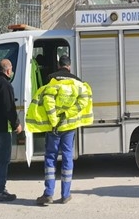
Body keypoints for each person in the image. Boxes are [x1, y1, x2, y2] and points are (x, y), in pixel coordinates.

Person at [27, 55, 93, 206]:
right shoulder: (77, 84)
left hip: (54, 128)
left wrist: (54, 120)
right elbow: (83, 101)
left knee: (50, 158)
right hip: (69, 127)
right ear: (69, 66)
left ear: (59, 66)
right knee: (67, 158)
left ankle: (48, 194)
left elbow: (48, 102)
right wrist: (67, 114)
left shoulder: (53, 82)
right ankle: (66, 195)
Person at [0, 59, 23, 202]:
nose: (12, 71)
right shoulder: (6, 85)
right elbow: (9, 108)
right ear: (7, 71)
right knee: (3, 161)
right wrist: (16, 124)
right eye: (11, 69)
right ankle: (1, 190)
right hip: (2, 129)